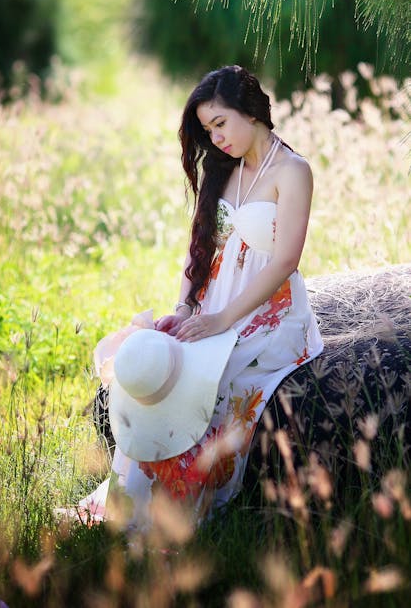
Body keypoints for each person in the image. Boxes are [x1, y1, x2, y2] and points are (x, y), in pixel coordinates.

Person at [72, 65, 323, 529]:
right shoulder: (224, 169)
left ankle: (185, 512)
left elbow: (285, 260)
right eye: (208, 130)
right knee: (165, 359)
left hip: (267, 313)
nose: (217, 138)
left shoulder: (292, 172)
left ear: (250, 110)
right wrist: (186, 307)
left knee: (210, 380)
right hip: (212, 303)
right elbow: (200, 243)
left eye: (221, 124)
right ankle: (136, 508)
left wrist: (223, 319)